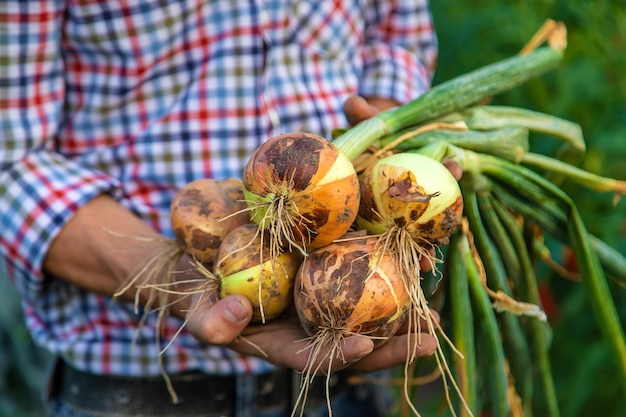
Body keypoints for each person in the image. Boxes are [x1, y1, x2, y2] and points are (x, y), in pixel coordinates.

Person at [0, 1, 446, 416]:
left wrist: (390, 166)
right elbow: (10, 162)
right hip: (134, 392)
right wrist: (171, 279)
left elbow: (396, 39)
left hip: (339, 391)